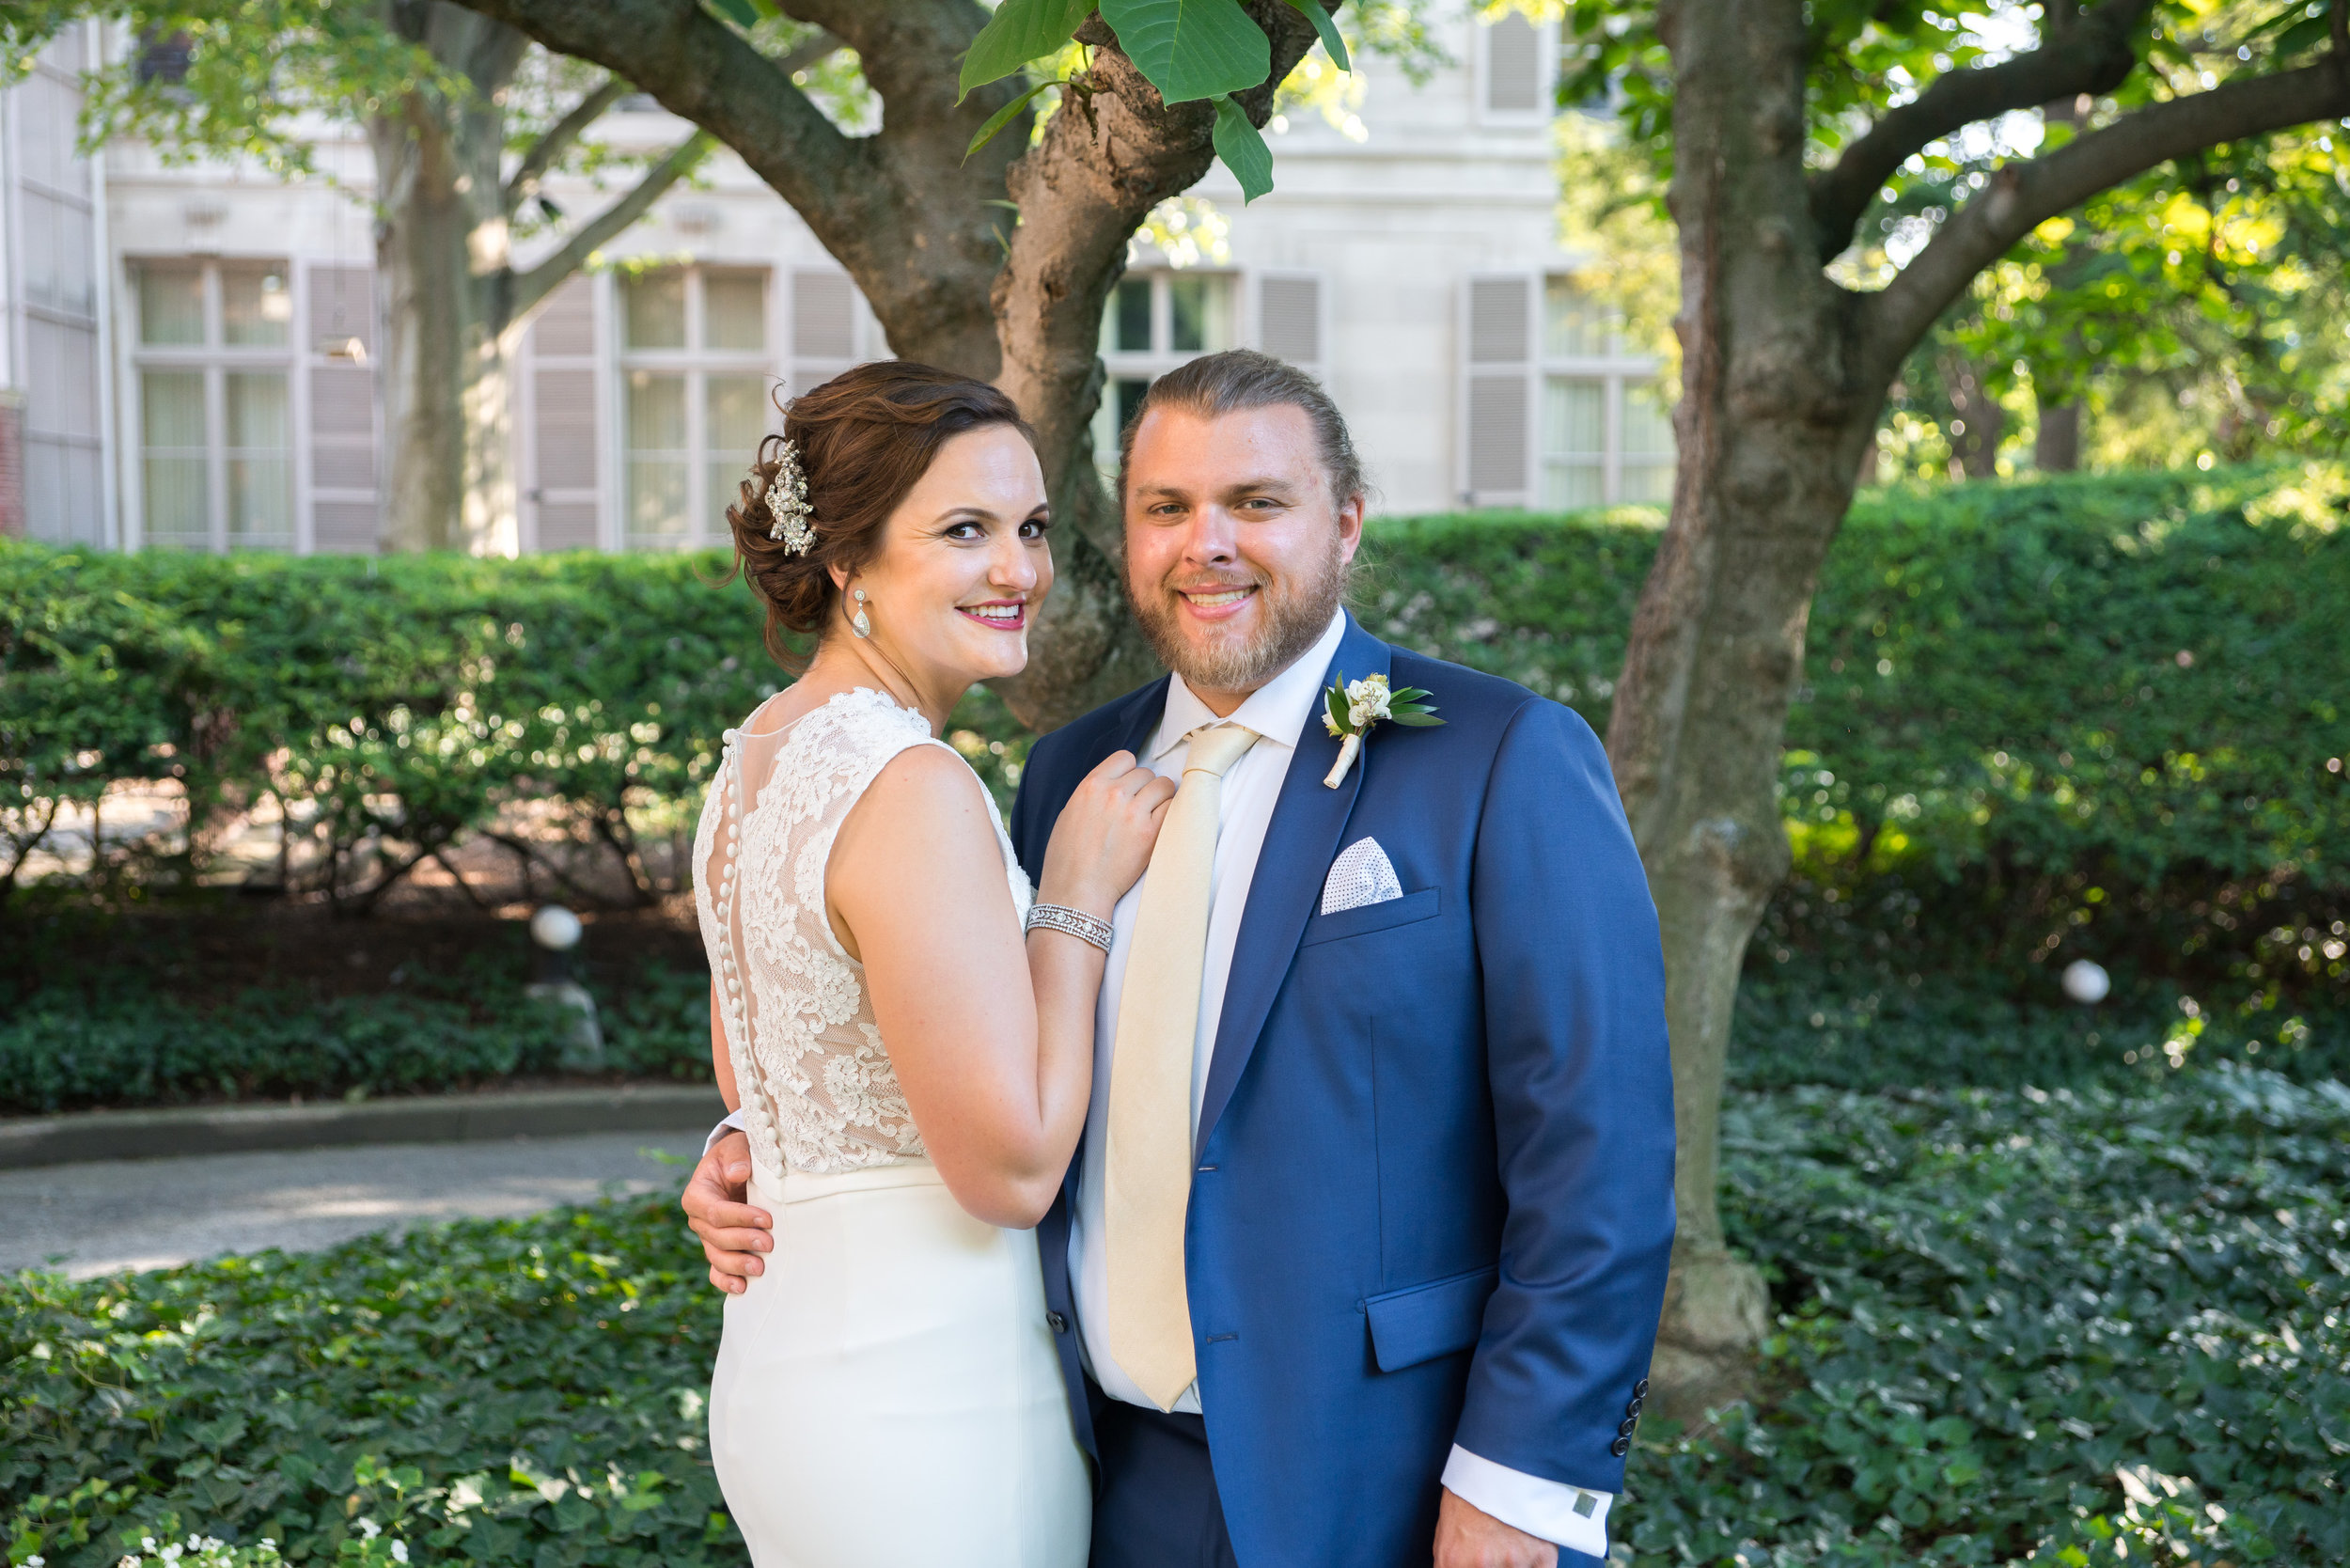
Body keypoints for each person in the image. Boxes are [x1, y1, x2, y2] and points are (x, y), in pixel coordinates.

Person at [688, 350, 1676, 1567]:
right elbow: (926, 1041)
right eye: (1166, 508)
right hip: (1097, 1463)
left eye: (1256, 503)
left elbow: (1603, 1155)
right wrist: (757, 1155)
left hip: (1381, 1471)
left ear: (1348, 522)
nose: (1206, 542)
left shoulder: (1496, 755)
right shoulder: (1067, 777)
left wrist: (1529, 1479)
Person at [688, 361, 1174, 1567]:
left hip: (793, 1378)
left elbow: (758, 1082)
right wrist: (1072, 900)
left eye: (1031, 528)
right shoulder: (910, 784)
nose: (1018, 571)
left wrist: (731, 1154)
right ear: (847, 557)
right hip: (932, 1406)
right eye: (965, 531)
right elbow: (1009, 1173)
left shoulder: (751, 765)